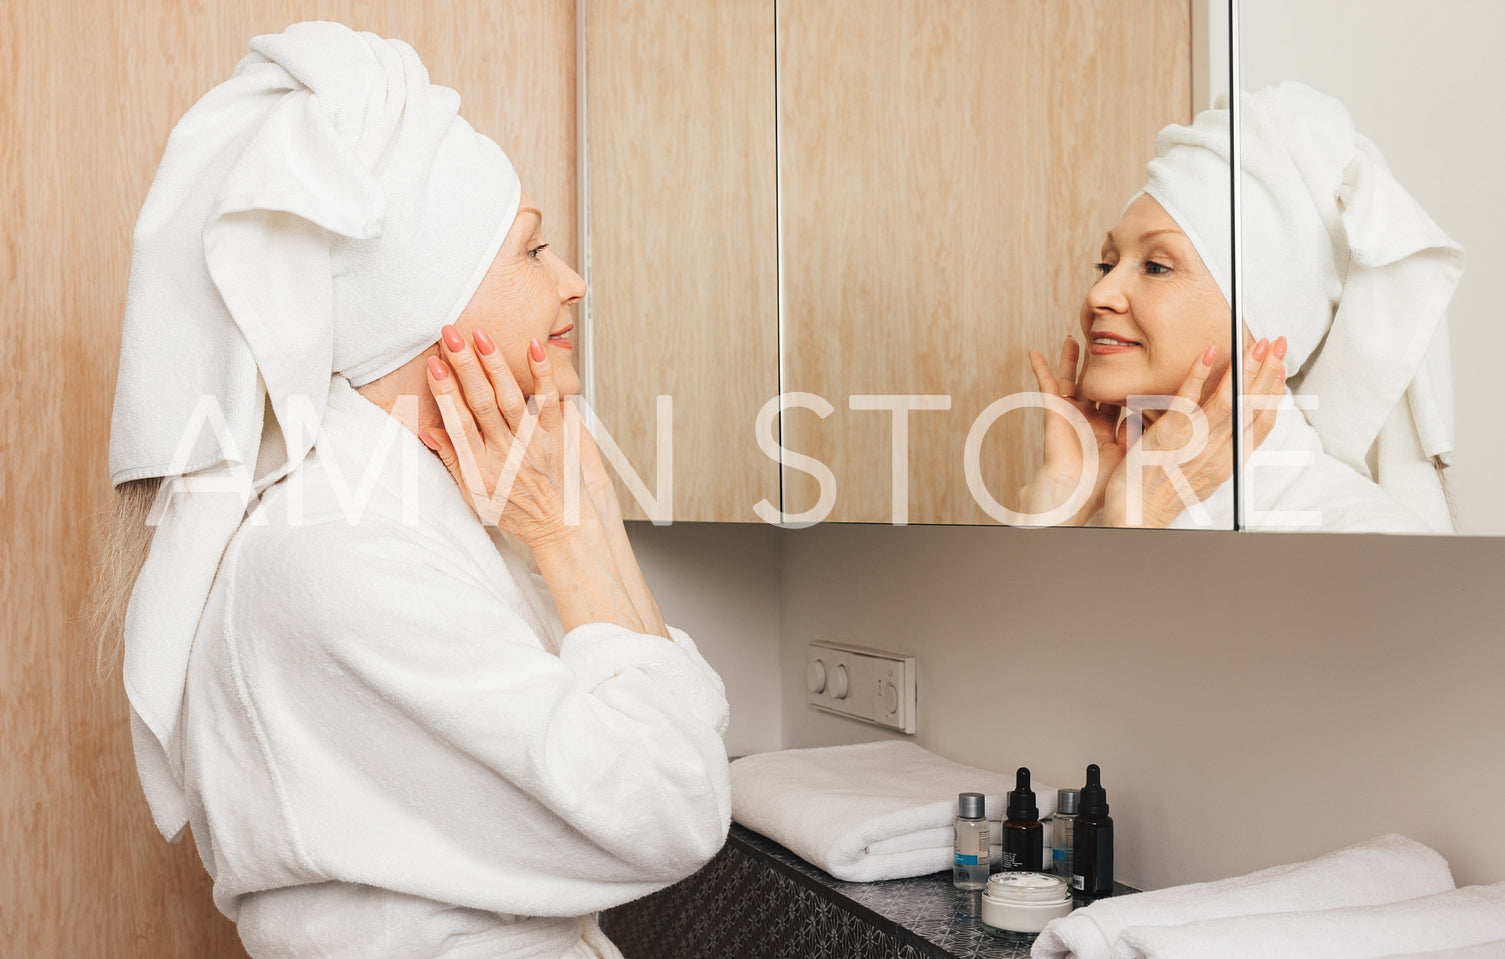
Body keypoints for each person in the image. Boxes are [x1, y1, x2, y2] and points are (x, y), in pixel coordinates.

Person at [92, 22, 730, 959]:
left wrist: (582, 519)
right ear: (422, 298)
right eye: (532, 250)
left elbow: (681, 737)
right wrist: (571, 542)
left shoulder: (444, 509)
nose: (574, 282)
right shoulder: (336, 553)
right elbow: (673, 806)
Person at [1019, 82, 1462, 532]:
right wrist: (1059, 500)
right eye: (1106, 264)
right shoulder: (1107, 503)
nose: (1099, 295)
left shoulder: (1362, 536)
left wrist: (1141, 517)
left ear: (1263, 329)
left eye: (1155, 266)